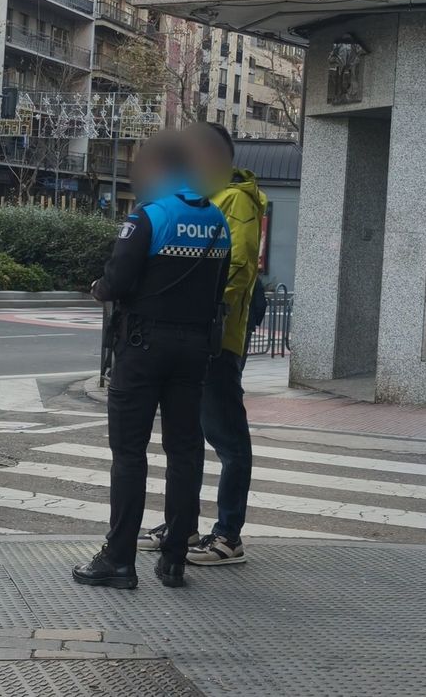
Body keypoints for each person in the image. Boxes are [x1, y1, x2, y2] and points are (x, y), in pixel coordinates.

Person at [73, 131, 231, 590]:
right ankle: (175, 557)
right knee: (185, 451)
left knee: (129, 454)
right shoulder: (217, 220)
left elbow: (117, 280)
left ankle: (119, 559)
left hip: (142, 348)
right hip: (195, 349)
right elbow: (219, 287)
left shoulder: (149, 216)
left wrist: (100, 289)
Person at [139, 123, 267, 566]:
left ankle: (229, 535)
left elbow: (238, 270)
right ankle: (182, 524)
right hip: (190, 336)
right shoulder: (198, 200)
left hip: (216, 337)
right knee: (188, 435)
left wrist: (207, 319)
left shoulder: (237, 202)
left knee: (227, 436)